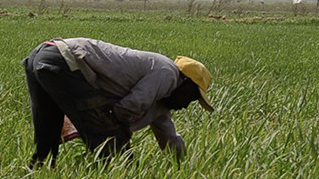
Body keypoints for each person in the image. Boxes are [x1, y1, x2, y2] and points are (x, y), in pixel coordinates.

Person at [22, 37, 214, 168]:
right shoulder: (168, 73)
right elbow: (129, 107)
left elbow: (168, 136)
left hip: (43, 54)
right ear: (185, 83)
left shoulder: (162, 96)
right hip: (64, 60)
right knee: (111, 138)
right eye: (191, 97)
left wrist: (183, 167)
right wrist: (118, 131)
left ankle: (35, 175)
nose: (186, 105)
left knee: (48, 130)